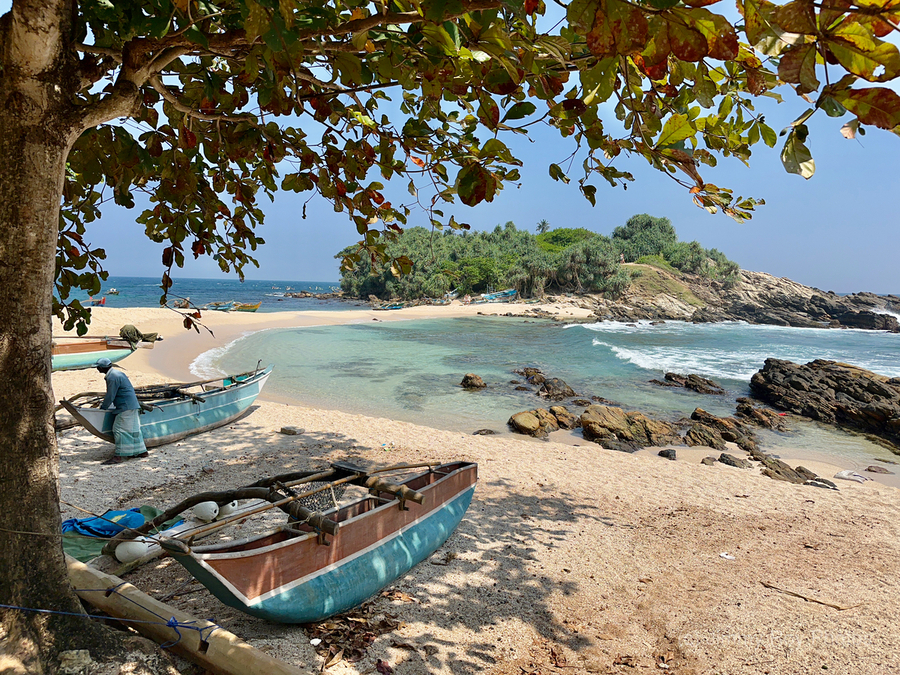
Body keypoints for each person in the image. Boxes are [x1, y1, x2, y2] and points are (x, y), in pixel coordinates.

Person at [96, 357, 148, 465]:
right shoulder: (116, 373)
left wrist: (103, 408)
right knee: (133, 429)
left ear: (102, 368)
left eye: (98, 367)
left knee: (118, 429)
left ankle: (118, 456)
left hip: (125, 406)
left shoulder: (112, 377)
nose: (97, 369)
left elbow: (110, 395)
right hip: (132, 405)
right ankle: (142, 452)